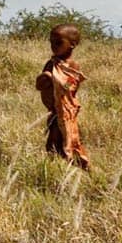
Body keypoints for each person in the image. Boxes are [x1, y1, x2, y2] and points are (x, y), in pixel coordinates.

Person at [35, 24, 90, 171]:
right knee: (53, 141)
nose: (54, 46)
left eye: (58, 42)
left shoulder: (73, 66)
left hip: (66, 111)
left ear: (72, 45)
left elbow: (70, 87)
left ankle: (75, 168)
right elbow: (39, 85)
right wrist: (46, 77)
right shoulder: (51, 64)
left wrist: (57, 82)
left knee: (67, 140)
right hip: (54, 110)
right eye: (51, 42)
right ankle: (56, 168)